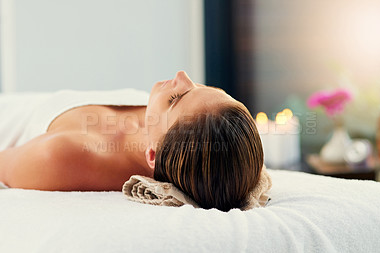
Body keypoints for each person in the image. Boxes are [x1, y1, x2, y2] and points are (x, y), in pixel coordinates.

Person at [0, 71, 263, 211]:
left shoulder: (65, 156)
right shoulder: (199, 128)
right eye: (213, 89)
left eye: (175, 99)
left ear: (152, 155)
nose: (182, 76)